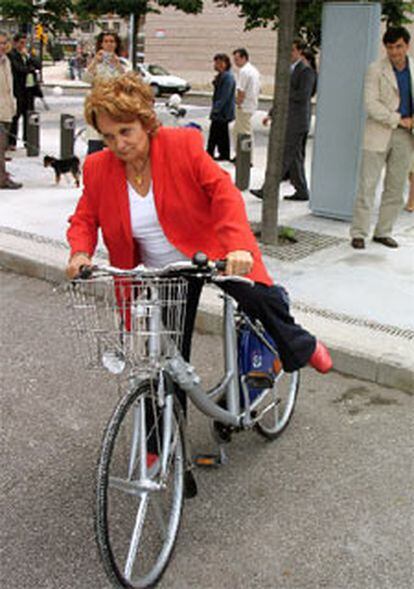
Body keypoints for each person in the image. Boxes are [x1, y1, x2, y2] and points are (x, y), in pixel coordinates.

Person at [66, 73, 332, 381]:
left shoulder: (181, 145)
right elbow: (84, 218)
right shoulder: (99, 167)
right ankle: (166, 425)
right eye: (108, 136)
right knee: (169, 360)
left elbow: (224, 193)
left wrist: (238, 246)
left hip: (210, 253)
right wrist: (79, 254)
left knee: (258, 297)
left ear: (146, 122)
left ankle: (301, 344)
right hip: (164, 272)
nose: (118, 144)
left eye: (126, 131)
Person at [350, 26, 414, 249]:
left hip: (407, 136)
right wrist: (398, 119)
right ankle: (359, 232)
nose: (394, 52)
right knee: (367, 185)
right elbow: (371, 104)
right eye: (390, 48)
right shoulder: (375, 70)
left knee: (396, 187)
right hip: (379, 133)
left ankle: (383, 231)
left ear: (407, 45)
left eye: (398, 47)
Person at [250, 39, 316, 202]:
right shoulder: (289, 70)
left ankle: (268, 190)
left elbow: (303, 96)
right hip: (288, 120)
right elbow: (281, 97)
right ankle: (302, 191)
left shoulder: (306, 71)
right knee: (295, 158)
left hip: (297, 121)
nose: (289, 54)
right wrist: (271, 113)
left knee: (283, 157)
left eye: (292, 50)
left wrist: (286, 92)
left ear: (300, 52)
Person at [82, 31, 125, 154]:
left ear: (116, 44)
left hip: (113, 108)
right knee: (94, 144)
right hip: (97, 107)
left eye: (112, 41)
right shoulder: (96, 62)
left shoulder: (121, 62)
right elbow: (86, 79)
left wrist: (117, 65)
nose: (109, 44)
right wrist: (95, 61)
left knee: (113, 145)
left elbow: (126, 82)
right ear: (101, 44)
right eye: (106, 41)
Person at [0, 30, 22, 189]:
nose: (1, 46)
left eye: (3, 43)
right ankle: (2, 178)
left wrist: (13, 104)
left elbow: (9, 87)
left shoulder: (6, 60)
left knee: (3, 146)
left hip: (7, 109)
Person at [8, 33, 38, 150]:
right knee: (15, 116)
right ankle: (12, 141)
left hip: (29, 90)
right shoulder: (12, 55)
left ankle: (28, 140)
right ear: (15, 43)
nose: (23, 46)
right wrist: (30, 69)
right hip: (18, 89)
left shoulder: (27, 55)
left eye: (25, 43)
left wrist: (29, 56)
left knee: (29, 116)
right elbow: (19, 69)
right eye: (21, 43)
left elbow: (38, 65)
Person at [232, 48, 260, 162]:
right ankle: (241, 154)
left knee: (244, 132)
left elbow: (241, 90)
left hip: (244, 106)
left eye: (237, 59)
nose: (235, 62)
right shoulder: (254, 70)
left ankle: (246, 158)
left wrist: (238, 102)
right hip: (251, 104)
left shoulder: (244, 71)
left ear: (244, 58)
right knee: (238, 130)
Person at [206, 53, 236, 162]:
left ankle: (213, 152)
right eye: (215, 62)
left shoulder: (227, 77)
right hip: (221, 111)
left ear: (224, 64)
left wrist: (216, 109)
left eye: (219, 63)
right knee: (221, 133)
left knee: (216, 132)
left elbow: (224, 96)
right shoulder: (222, 76)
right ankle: (222, 153)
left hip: (223, 111)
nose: (216, 65)